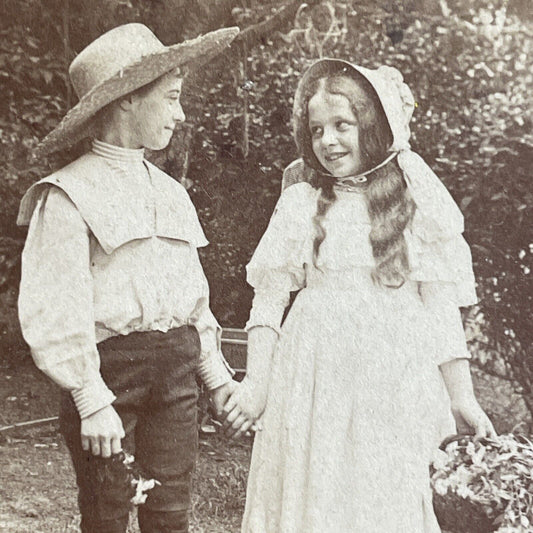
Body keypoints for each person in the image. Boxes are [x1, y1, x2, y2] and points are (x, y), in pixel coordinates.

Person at [222, 59, 496, 532]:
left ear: (370, 126)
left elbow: (440, 312)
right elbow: (267, 304)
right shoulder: (301, 203)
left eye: (341, 125)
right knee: (317, 489)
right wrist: (257, 385)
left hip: (394, 377)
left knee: (383, 489)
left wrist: (462, 397)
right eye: (316, 130)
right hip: (314, 376)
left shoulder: (414, 205)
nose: (328, 141)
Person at [17, 23, 239, 533]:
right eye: (171, 99)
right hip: (110, 374)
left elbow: (192, 302)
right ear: (126, 102)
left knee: (169, 515)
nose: (180, 115)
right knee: (108, 512)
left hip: (176, 376)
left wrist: (218, 378)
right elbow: (55, 308)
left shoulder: (171, 193)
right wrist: (91, 400)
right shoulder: (67, 195)